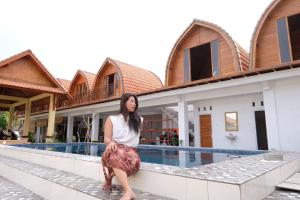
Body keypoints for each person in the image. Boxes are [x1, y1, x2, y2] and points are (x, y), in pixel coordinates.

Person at [101, 93, 143, 200]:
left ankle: (120, 186)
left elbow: (134, 140)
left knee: (114, 156)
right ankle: (128, 191)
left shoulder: (139, 121)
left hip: (131, 155)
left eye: (135, 102)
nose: (134, 104)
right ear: (124, 103)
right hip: (115, 150)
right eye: (131, 101)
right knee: (112, 153)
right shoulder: (111, 119)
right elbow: (106, 138)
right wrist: (110, 143)